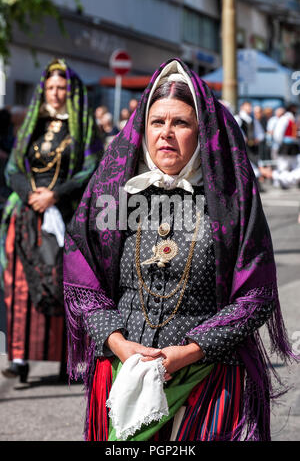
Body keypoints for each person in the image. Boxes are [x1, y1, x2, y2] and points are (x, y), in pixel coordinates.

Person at [63, 59, 298, 441]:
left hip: (210, 378)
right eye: (157, 122)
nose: (166, 134)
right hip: (125, 371)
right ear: (143, 129)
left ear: (202, 132)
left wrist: (190, 351)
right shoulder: (114, 195)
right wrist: (120, 345)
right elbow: (83, 280)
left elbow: (255, 295)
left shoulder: (230, 201)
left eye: (180, 123)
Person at [0, 58, 102, 383]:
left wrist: (55, 195)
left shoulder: (82, 127)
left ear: (70, 91)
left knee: (63, 285)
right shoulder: (32, 125)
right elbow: (13, 168)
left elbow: (90, 168)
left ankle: (66, 359)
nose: (56, 93)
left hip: (66, 215)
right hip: (27, 215)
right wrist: (33, 196)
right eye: (51, 87)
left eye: (62, 88)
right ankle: (18, 358)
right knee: (20, 286)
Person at [273, 103, 300, 173]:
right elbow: (278, 133)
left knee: (295, 164)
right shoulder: (285, 119)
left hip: (293, 145)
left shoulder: (293, 119)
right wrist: (281, 143)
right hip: (285, 145)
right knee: (283, 165)